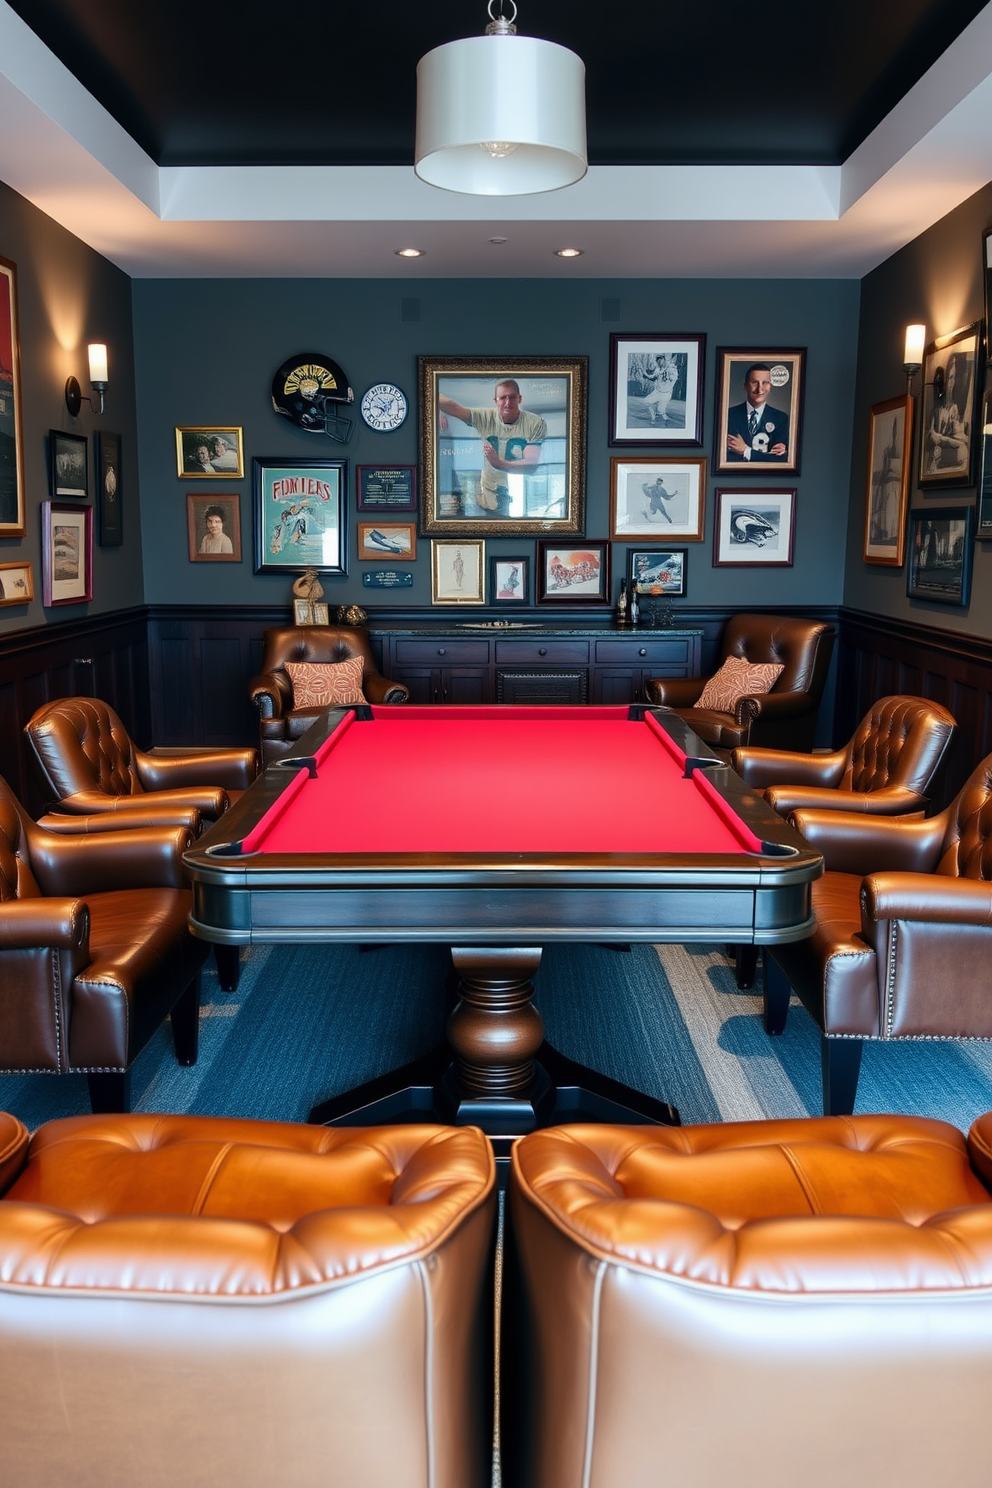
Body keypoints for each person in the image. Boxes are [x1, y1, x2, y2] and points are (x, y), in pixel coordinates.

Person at [438, 378, 546, 516]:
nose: (507, 403)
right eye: (503, 398)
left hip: (512, 491)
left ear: (520, 399)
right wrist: (433, 398)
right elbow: (452, 406)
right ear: (496, 401)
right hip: (485, 489)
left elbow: (531, 465)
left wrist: (500, 463)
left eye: (512, 397)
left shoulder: (535, 423)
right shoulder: (485, 417)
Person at [726, 364, 790, 463]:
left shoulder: (781, 419)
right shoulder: (729, 415)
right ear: (745, 386)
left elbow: (780, 460)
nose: (760, 389)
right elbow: (727, 458)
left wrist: (745, 451)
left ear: (770, 386)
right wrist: (765, 456)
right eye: (755, 382)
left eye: (765, 383)